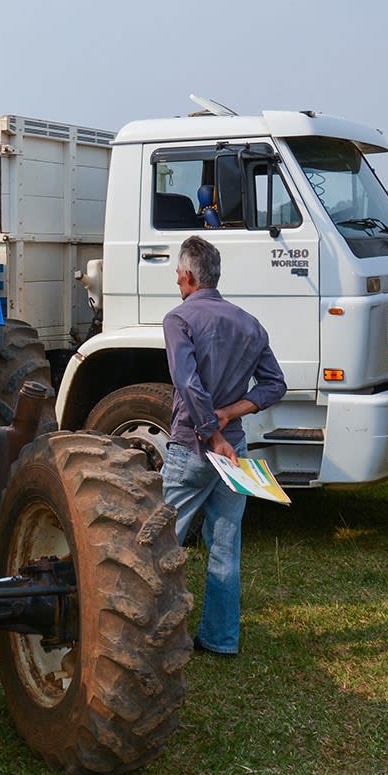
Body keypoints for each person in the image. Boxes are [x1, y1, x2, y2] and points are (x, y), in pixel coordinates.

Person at [161, 235, 286, 656]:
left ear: (190, 275)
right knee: (225, 546)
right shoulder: (250, 323)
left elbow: (188, 384)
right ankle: (219, 639)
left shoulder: (179, 319)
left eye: (178, 273)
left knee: (161, 544)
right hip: (236, 454)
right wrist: (231, 416)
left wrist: (213, 431)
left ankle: (153, 638)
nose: (176, 279)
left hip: (194, 449)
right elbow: (275, 385)